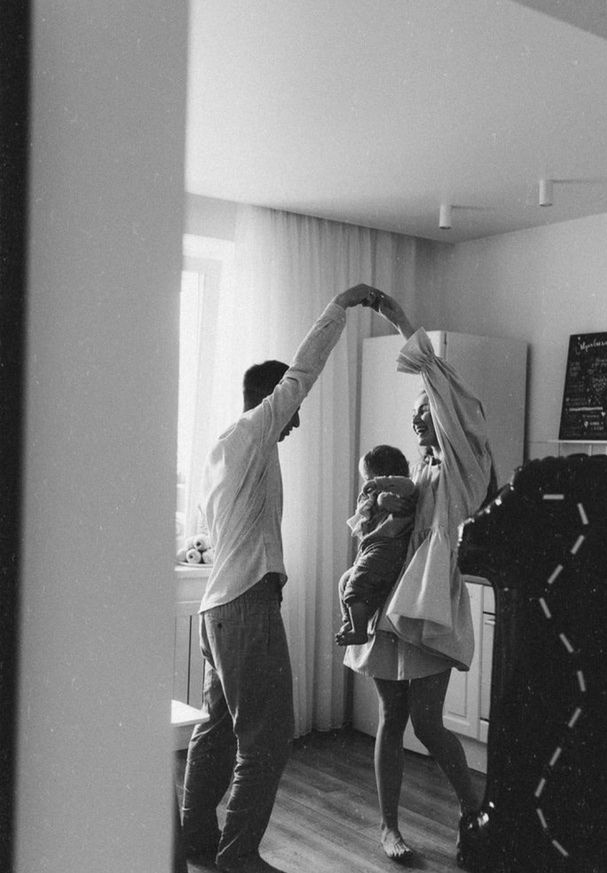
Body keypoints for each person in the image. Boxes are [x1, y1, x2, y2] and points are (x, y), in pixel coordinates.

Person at [181, 283, 378, 873]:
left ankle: (193, 840)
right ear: (270, 403)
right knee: (266, 739)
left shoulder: (225, 452)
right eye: (288, 414)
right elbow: (302, 374)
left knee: (217, 731)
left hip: (218, 611)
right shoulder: (250, 434)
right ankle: (238, 855)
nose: (295, 425)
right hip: (243, 608)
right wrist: (340, 309)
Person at [344, 291, 495, 862]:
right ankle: (389, 829)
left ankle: (471, 807)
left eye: (427, 408)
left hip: (430, 605)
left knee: (429, 723)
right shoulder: (423, 470)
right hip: (391, 603)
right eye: (417, 411)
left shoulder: (463, 466)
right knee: (391, 715)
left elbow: (435, 375)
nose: (419, 413)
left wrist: (396, 315)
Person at [335, 444, 417, 647]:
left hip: (388, 548)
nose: (368, 484)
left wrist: (381, 489)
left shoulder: (400, 492)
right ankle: (350, 622)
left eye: (369, 478)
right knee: (345, 581)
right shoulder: (373, 500)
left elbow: (408, 486)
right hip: (372, 548)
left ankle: (359, 631)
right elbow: (362, 522)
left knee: (357, 585)